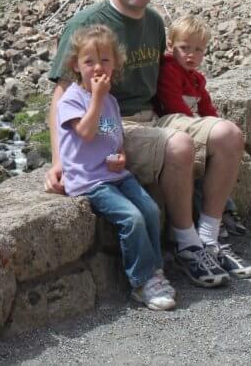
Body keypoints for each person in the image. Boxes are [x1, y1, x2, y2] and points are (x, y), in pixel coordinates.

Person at [44, 0, 251, 287]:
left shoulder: (154, 22)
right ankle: (187, 246)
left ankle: (209, 239)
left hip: (155, 117)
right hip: (114, 123)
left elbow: (163, 81)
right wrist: (59, 160)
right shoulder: (88, 23)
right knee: (179, 146)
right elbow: (62, 94)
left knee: (228, 134)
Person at [57, 24, 175, 310]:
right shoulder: (72, 98)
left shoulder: (110, 100)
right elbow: (85, 132)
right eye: (89, 61)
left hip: (114, 172)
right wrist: (96, 98)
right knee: (131, 218)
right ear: (76, 65)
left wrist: (120, 155)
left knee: (150, 209)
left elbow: (114, 135)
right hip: (89, 180)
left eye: (105, 60)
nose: (98, 67)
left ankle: (155, 271)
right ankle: (141, 281)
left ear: (116, 64)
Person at [156, 14, 251, 277]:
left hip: (188, 124)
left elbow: (207, 107)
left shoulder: (197, 79)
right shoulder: (169, 70)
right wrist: (201, 126)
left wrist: (215, 124)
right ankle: (208, 235)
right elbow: (173, 103)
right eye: (184, 48)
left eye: (198, 50)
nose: (191, 55)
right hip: (173, 123)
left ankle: (212, 233)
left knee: (223, 146)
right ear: (171, 46)